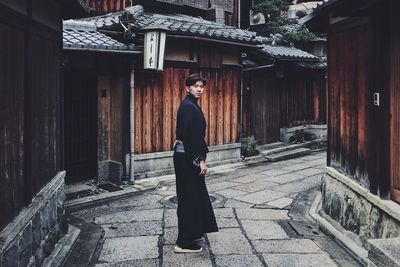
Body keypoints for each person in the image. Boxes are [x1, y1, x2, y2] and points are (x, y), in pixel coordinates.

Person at [173, 73, 218, 253]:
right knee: (189, 198)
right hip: (188, 159)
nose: (199, 89)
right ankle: (183, 242)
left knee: (192, 197)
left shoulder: (190, 105)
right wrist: (199, 160)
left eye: (201, 86)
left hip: (185, 156)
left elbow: (186, 133)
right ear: (187, 88)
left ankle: (190, 235)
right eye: (195, 86)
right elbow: (191, 137)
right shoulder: (188, 107)